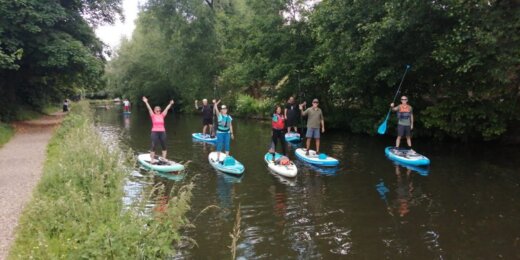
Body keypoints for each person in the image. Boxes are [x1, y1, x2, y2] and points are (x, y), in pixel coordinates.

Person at [142, 96, 175, 164]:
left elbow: (166, 109)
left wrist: (170, 104)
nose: (158, 111)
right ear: (154, 111)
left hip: (162, 132)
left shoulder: (162, 115)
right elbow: (149, 108)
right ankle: (152, 159)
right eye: (157, 110)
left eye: (159, 110)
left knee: (164, 145)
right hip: (154, 132)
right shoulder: (153, 115)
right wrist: (146, 102)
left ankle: (164, 159)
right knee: (154, 145)